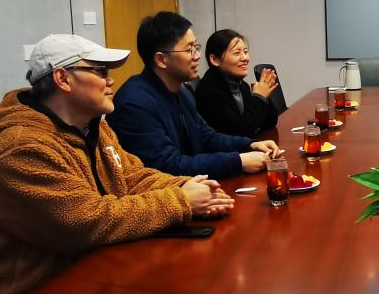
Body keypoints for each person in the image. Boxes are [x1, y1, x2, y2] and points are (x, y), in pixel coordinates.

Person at [0, 34, 234, 294]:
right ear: (63, 79)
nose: (110, 81)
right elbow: (84, 221)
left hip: (74, 283)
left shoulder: (92, 126)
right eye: (99, 71)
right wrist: (181, 201)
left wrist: (188, 185)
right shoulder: (21, 148)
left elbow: (132, 176)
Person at [107, 12, 280, 178]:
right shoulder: (135, 104)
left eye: (196, 47)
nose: (197, 56)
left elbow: (206, 137)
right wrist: (238, 161)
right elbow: (169, 166)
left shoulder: (182, 92)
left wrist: (250, 145)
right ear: (161, 59)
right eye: (189, 49)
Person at [195, 28, 279, 138]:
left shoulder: (241, 85)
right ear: (215, 60)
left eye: (245, 52)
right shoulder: (209, 91)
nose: (245, 58)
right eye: (236, 53)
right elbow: (242, 132)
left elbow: (269, 122)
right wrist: (259, 96)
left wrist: (264, 96)